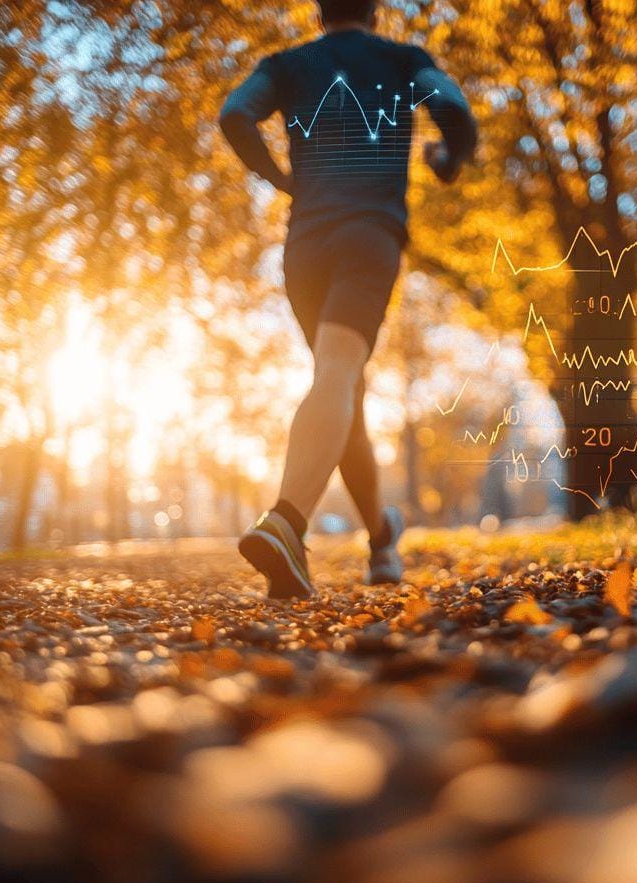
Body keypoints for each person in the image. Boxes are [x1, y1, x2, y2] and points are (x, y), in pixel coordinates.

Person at [219, 0, 477, 599]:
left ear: (319, 13)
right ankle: (287, 523)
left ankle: (382, 539)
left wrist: (282, 180)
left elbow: (235, 114)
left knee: (342, 388)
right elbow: (455, 111)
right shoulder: (405, 60)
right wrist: (446, 159)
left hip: (304, 248)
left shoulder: (284, 65)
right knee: (338, 375)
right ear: (375, 11)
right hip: (368, 236)